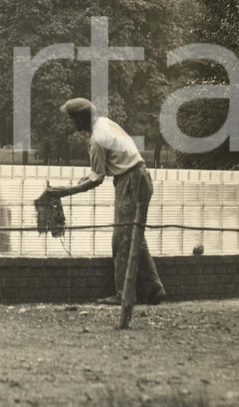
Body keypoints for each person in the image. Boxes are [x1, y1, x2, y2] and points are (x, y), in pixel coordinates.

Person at [43, 98, 166, 306]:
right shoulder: (105, 124)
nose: (72, 124)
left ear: (82, 117)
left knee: (120, 240)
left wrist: (62, 192)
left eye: (73, 118)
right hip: (142, 177)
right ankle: (155, 288)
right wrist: (83, 178)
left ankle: (123, 294)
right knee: (135, 235)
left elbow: (97, 180)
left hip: (130, 183)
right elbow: (98, 171)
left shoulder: (97, 140)